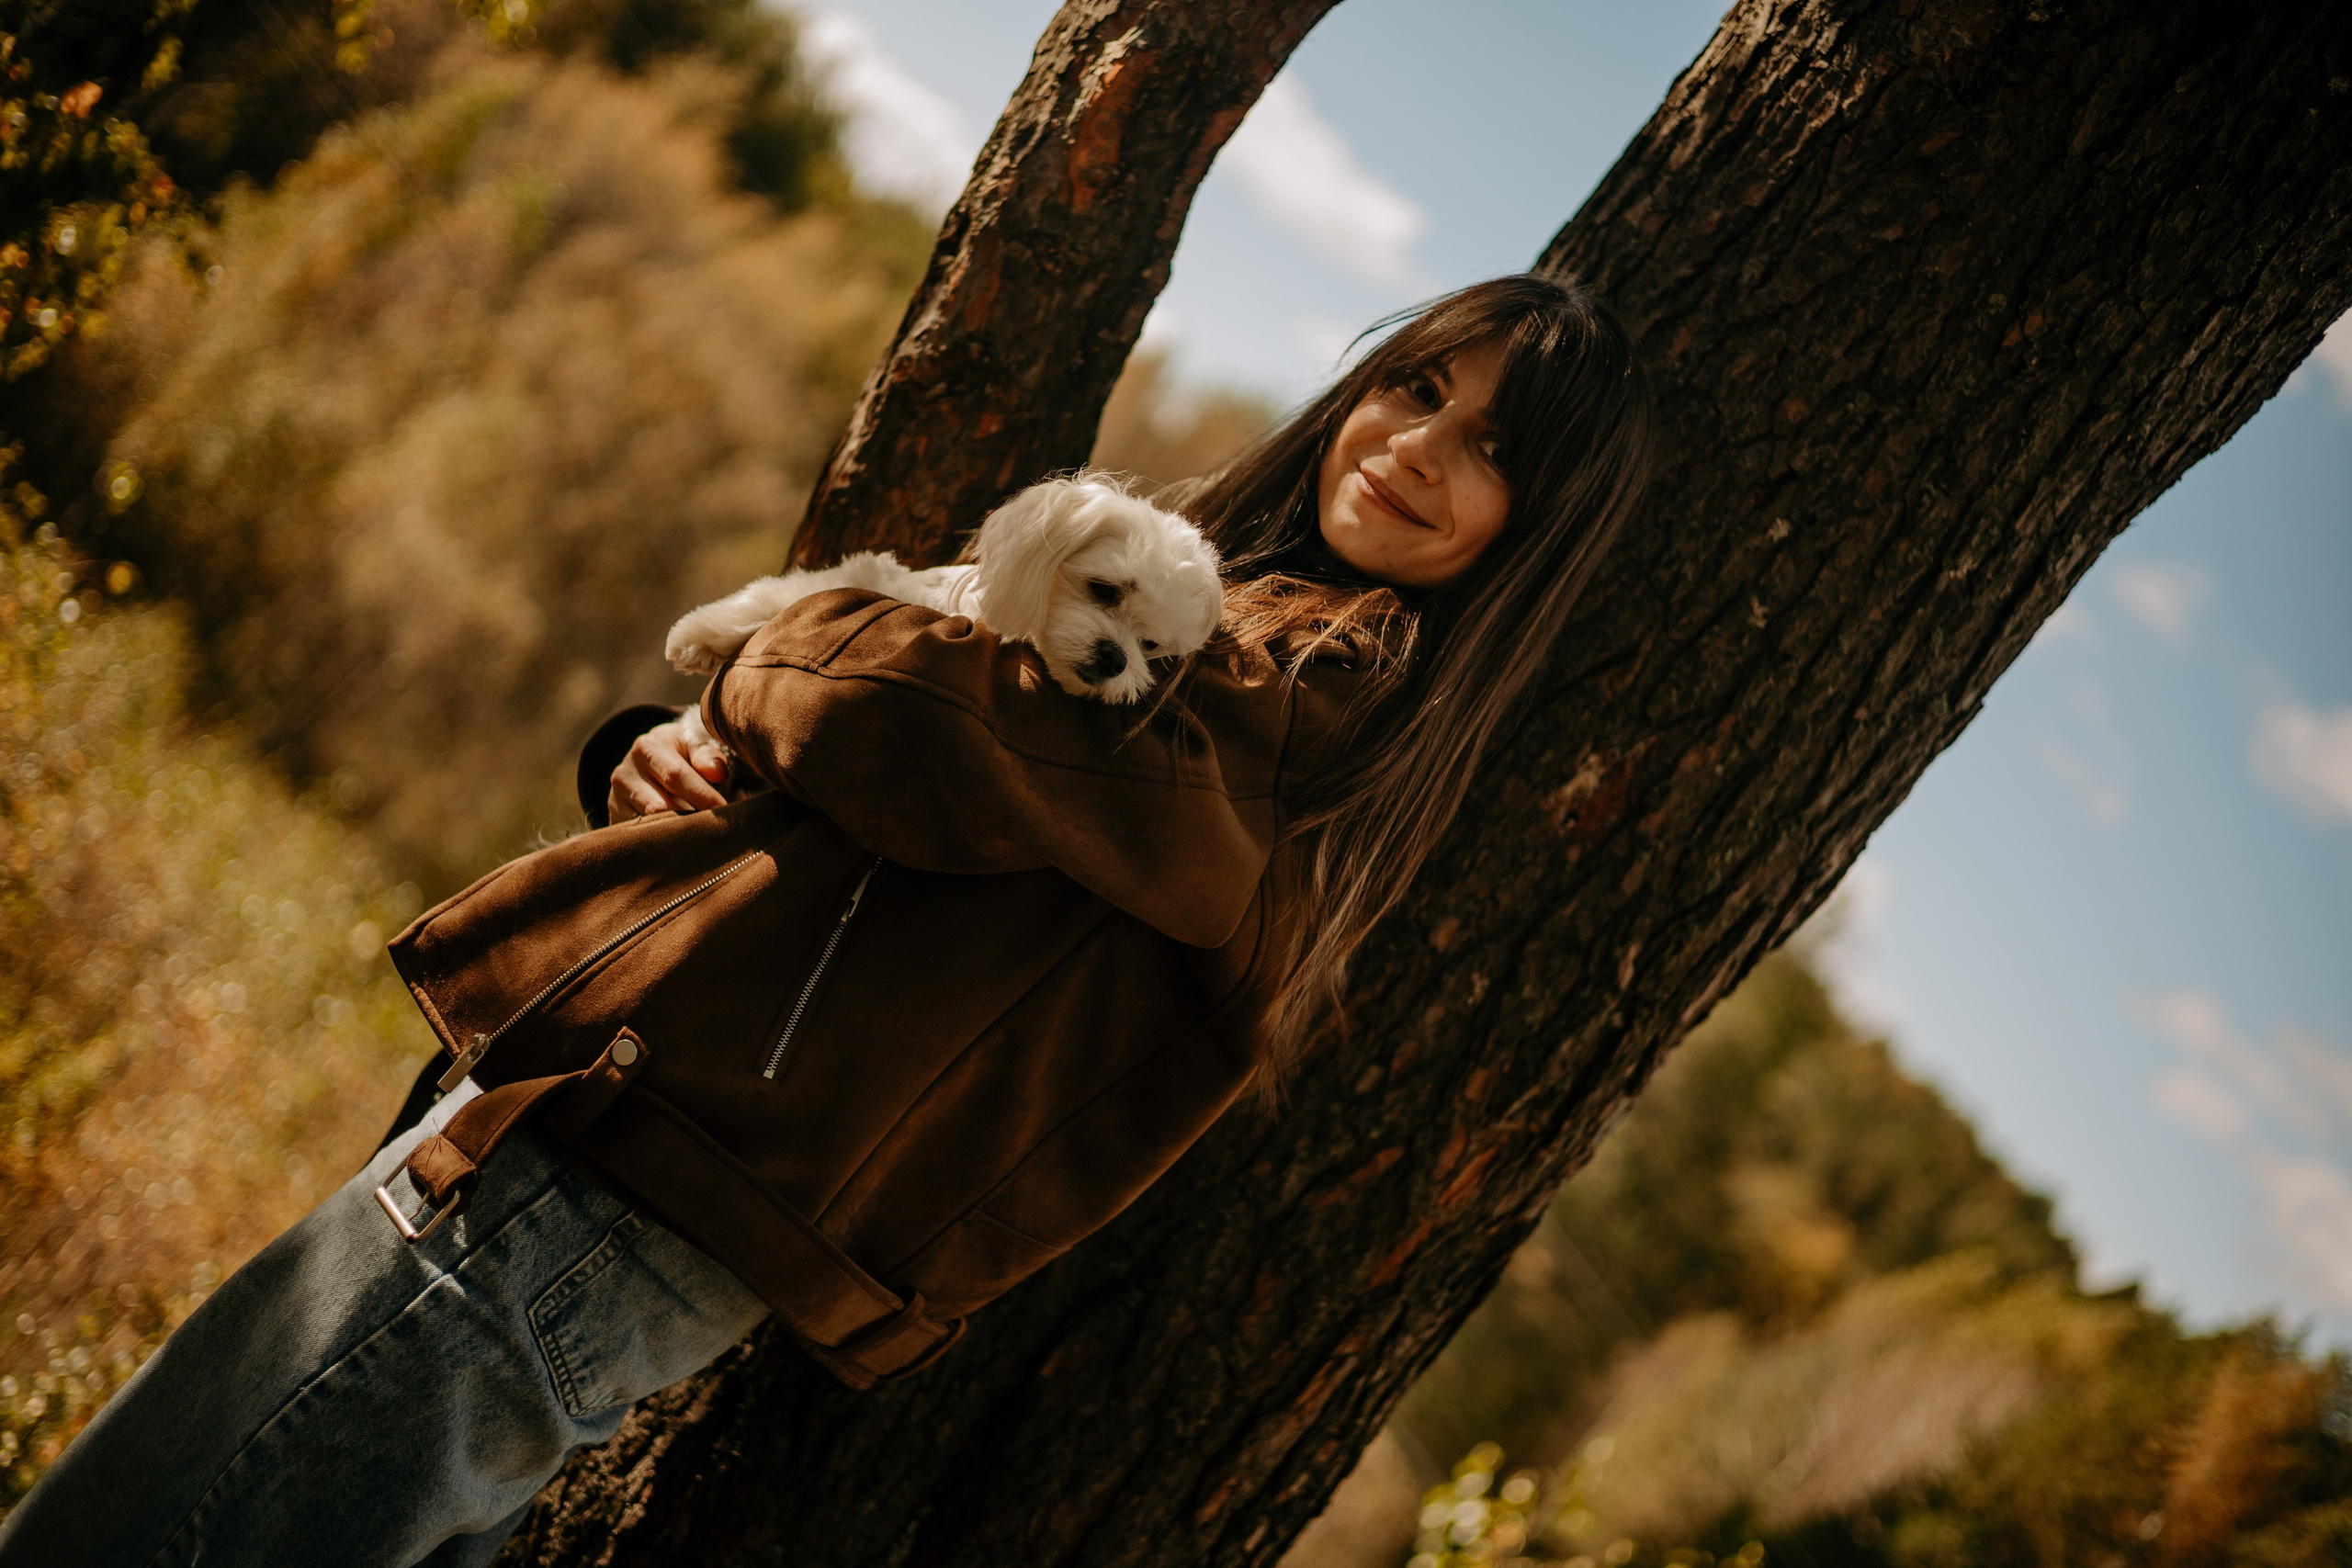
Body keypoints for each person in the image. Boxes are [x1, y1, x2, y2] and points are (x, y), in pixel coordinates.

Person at [0, 274, 1652, 1568]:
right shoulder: (1228, 635)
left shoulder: (1293, 688)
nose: (1420, 445)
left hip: (610, 1190)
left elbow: (902, 721)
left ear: (1543, 527)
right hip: (614, 1181)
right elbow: (909, 821)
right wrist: (677, 753)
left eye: (1495, 447)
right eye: (1417, 384)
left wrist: (768, 663)